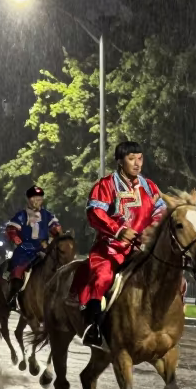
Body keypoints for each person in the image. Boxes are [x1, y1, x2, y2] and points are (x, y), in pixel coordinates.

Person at [73, 141, 167, 350]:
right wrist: (119, 231)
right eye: (131, 159)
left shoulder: (150, 186)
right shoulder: (105, 185)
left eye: (140, 158)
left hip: (141, 250)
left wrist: (150, 231)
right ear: (120, 161)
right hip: (110, 248)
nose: (137, 163)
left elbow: (160, 212)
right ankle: (93, 326)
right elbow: (94, 213)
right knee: (103, 277)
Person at [4, 185, 62, 308]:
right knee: (18, 270)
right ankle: (13, 296)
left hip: (43, 248)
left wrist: (57, 231)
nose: (37, 201)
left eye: (40, 198)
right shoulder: (22, 215)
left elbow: (55, 228)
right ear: (28, 200)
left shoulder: (47, 215)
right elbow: (11, 229)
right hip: (25, 250)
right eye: (34, 198)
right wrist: (18, 241)